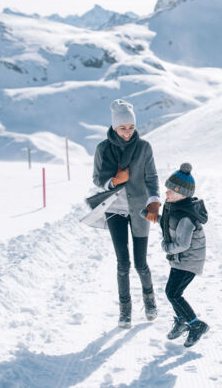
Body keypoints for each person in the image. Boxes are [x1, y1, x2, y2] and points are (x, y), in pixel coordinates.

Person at [82, 99, 161, 328]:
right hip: (115, 210)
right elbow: (97, 178)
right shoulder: (103, 149)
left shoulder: (144, 147)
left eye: (131, 128)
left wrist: (154, 200)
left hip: (140, 209)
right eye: (122, 128)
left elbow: (152, 178)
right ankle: (125, 311)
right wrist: (113, 181)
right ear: (114, 127)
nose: (127, 133)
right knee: (123, 263)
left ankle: (150, 301)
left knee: (141, 263)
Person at [160, 163, 210, 347]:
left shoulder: (186, 216)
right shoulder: (176, 208)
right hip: (180, 260)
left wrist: (166, 247)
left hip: (188, 261)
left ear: (182, 194)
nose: (166, 193)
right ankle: (182, 320)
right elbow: (169, 223)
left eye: (170, 190)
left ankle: (196, 325)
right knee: (171, 292)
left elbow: (182, 244)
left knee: (174, 294)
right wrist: (152, 216)